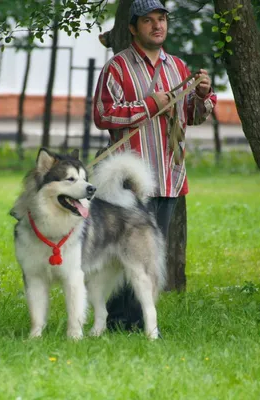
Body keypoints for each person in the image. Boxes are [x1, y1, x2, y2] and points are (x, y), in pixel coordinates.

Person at [93, 0, 217, 331]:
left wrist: (202, 96)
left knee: (148, 254)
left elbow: (191, 116)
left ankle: (137, 321)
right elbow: (103, 115)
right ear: (133, 28)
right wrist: (149, 104)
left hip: (168, 175)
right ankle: (119, 321)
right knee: (122, 252)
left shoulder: (178, 67)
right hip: (128, 181)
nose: (157, 26)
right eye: (148, 21)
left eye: (161, 19)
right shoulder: (117, 68)